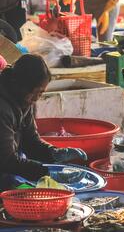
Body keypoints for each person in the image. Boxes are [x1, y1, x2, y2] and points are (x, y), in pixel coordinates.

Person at [0, 54, 88, 191]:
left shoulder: (24, 100)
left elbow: (30, 142)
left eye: (40, 94)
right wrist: (47, 173)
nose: (36, 99)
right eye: (35, 93)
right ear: (20, 85)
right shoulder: (3, 107)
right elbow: (5, 160)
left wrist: (54, 153)